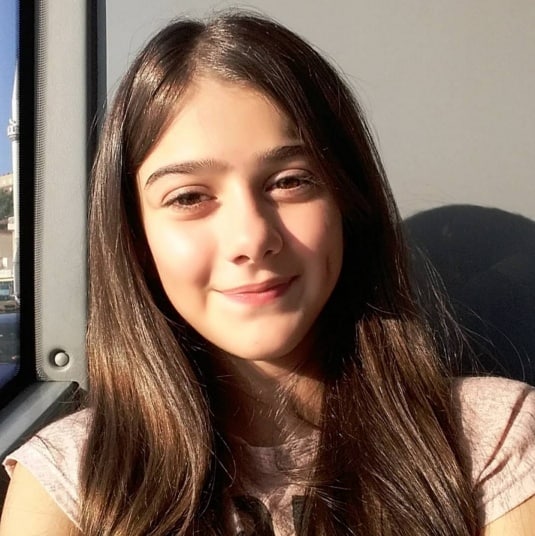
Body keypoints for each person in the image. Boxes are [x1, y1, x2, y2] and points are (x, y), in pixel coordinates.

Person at [1, 11, 535, 536]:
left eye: (290, 181)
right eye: (188, 197)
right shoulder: (70, 483)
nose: (252, 238)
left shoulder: (490, 440)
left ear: (348, 205)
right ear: (136, 239)